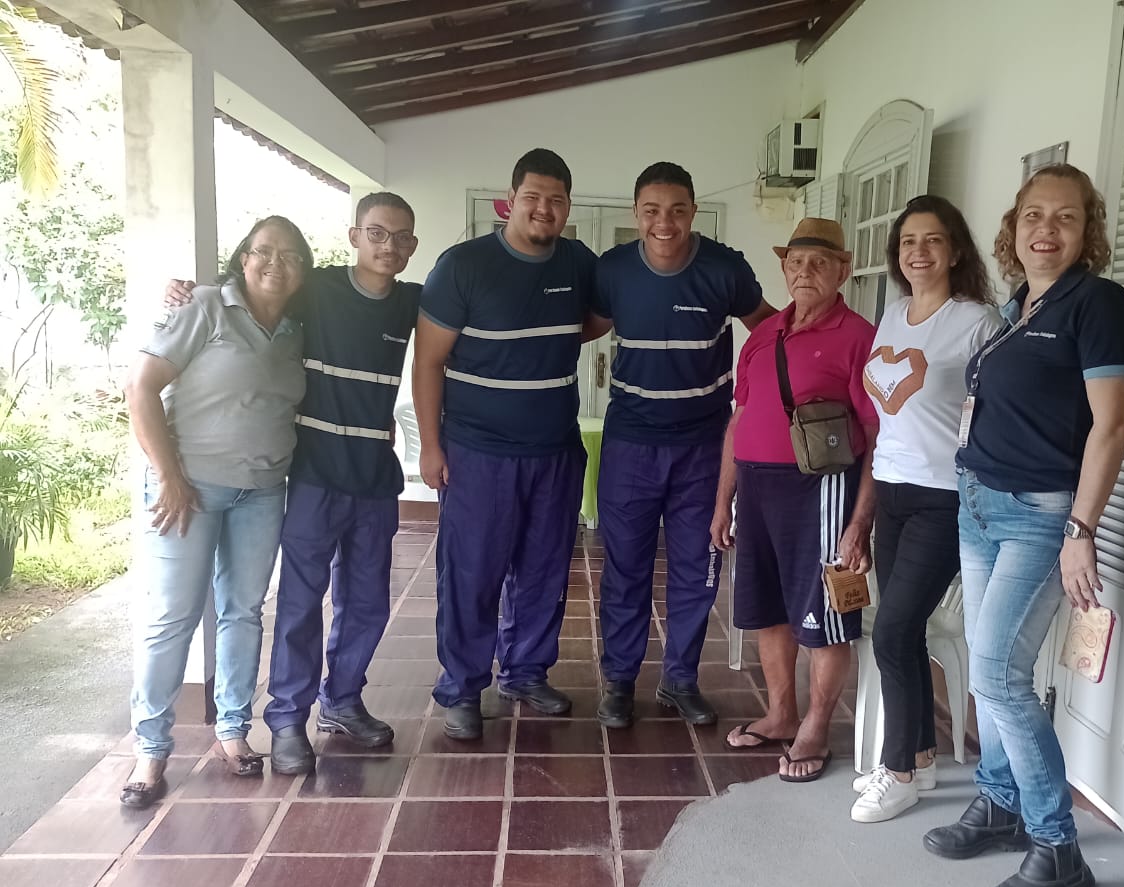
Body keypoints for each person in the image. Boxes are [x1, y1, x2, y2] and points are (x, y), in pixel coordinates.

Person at [923, 164, 1124, 887]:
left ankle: (1060, 848)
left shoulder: (1100, 305)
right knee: (989, 676)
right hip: (979, 505)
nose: (1046, 229)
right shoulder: (1018, 306)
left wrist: (1080, 530)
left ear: (1089, 233)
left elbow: (1111, 424)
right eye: (1033, 215)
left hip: (1040, 515)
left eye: (1067, 218)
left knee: (1000, 675)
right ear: (1013, 228)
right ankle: (999, 802)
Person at [164, 194, 423, 776]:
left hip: (375, 478)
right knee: (302, 604)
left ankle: (343, 700)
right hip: (312, 475)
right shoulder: (317, 288)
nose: (389, 246)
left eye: (402, 237)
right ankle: (286, 719)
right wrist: (190, 289)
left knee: (367, 603)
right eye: (377, 233)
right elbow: (255, 284)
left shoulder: (411, 302)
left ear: (411, 245)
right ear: (355, 235)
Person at [122, 216, 310, 806]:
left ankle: (233, 732)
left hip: (261, 491)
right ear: (242, 259)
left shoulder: (300, 328)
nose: (274, 263)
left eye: (288, 254)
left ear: (304, 268)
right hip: (189, 489)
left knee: (243, 612)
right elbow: (140, 388)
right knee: (173, 616)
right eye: (262, 251)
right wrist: (169, 477)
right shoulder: (204, 306)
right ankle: (150, 752)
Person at [414, 148, 596, 740]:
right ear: (510, 201)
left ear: (568, 207)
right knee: (472, 572)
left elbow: (595, 320)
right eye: (533, 197)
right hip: (477, 452)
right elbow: (429, 362)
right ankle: (462, 687)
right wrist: (431, 446)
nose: (545, 209)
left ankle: (525, 671)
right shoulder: (463, 266)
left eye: (557, 200)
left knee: (543, 570)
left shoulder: (577, 263)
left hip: (554, 451)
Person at [588, 161, 773, 730]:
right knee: (627, 566)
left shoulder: (724, 269)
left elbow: (768, 330)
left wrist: (762, 402)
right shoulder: (613, 271)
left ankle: (680, 679)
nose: (664, 222)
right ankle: (619, 680)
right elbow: (580, 328)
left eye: (677, 210)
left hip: (703, 446)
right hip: (631, 444)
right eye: (651, 210)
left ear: (693, 211)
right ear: (635, 214)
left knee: (699, 565)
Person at [850, 195, 1002, 823]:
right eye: (909, 242)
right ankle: (920, 755)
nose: (919, 252)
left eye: (933, 240)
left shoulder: (978, 322)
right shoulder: (892, 315)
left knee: (890, 629)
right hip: (892, 487)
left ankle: (897, 772)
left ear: (955, 250)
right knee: (901, 627)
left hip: (945, 496)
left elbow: (997, 415)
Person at [711, 218, 879, 782]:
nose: (804, 272)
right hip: (757, 488)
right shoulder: (763, 336)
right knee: (767, 609)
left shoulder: (860, 336)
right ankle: (782, 714)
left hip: (822, 489)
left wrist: (860, 522)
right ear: (783, 269)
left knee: (827, 614)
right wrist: (722, 503)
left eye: (819, 262)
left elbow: (877, 436)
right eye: (795, 263)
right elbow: (740, 420)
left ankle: (815, 726)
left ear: (843, 269)